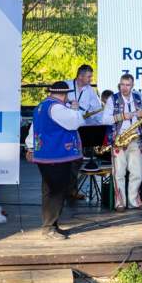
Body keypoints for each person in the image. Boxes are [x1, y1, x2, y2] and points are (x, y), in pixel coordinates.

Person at [25, 81, 84, 240]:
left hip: (44, 155)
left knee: (49, 191)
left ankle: (51, 225)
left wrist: (30, 148)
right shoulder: (57, 107)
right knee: (57, 192)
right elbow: (75, 122)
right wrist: (75, 107)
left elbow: (34, 129)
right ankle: (49, 229)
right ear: (64, 94)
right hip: (57, 155)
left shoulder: (41, 106)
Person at [101, 74, 142, 211]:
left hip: (136, 138)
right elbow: (104, 119)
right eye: (122, 84)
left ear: (133, 86)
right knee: (119, 172)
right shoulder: (112, 99)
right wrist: (122, 116)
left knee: (137, 172)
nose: (125, 87)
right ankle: (120, 202)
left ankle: (134, 201)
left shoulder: (138, 98)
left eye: (127, 85)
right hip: (119, 138)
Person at [64, 65, 100, 200]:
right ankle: (59, 190)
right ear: (80, 77)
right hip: (65, 127)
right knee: (62, 160)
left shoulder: (90, 91)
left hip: (80, 128)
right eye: (89, 77)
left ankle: (71, 190)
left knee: (77, 159)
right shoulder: (66, 85)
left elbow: (96, 109)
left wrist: (106, 122)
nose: (91, 79)